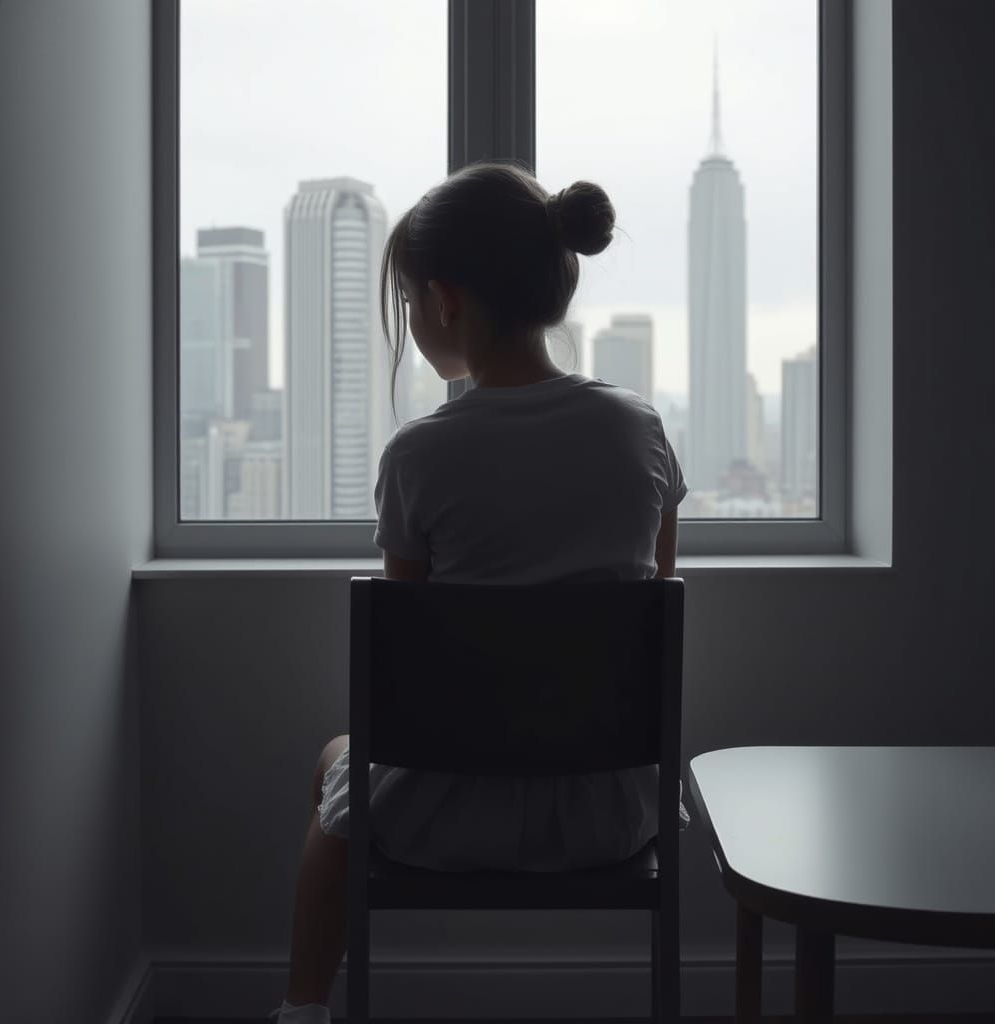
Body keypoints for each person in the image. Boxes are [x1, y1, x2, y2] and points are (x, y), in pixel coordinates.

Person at [271, 161, 689, 1024]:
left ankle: (304, 1011)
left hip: (445, 816)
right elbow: (659, 590)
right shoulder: (638, 432)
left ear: (447, 302)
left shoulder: (419, 457)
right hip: (610, 809)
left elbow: (413, 658)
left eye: (411, 301)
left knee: (334, 761)